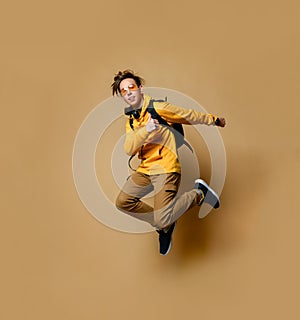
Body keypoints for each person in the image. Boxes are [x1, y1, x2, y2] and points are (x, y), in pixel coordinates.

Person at [111, 70, 226, 255]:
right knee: (123, 202)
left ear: (140, 88)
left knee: (163, 218)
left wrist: (213, 120)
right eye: (124, 91)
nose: (129, 93)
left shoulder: (158, 108)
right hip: (146, 169)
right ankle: (164, 226)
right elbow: (128, 148)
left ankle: (199, 194)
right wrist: (147, 130)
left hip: (166, 168)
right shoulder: (131, 119)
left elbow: (187, 115)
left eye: (131, 87)